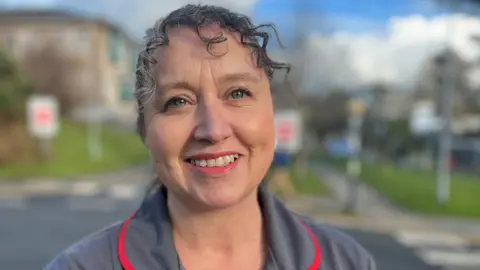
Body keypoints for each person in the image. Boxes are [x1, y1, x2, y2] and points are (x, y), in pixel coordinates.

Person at [45, 4, 376, 270]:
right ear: (145, 130)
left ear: (271, 116)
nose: (213, 129)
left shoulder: (347, 262)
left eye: (238, 93)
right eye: (178, 101)